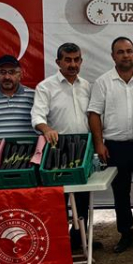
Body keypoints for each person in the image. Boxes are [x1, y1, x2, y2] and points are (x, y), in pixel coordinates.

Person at [88, 37, 133, 253]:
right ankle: (125, 234)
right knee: (120, 193)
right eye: (120, 52)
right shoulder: (103, 82)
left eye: (129, 51)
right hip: (115, 147)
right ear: (113, 56)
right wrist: (99, 144)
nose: (126, 55)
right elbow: (94, 114)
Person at [32, 43, 96, 252]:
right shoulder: (46, 87)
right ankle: (57, 246)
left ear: (81, 61)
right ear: (58, 62)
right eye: (68, 60)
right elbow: (37, 116)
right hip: (57, 152)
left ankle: (79, 241)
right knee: (57, 200)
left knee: (82, 199)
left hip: (83, 151)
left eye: (76, 60)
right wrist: (46, 128)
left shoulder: (87, 86)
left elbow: (94, 117)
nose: (72, 64)